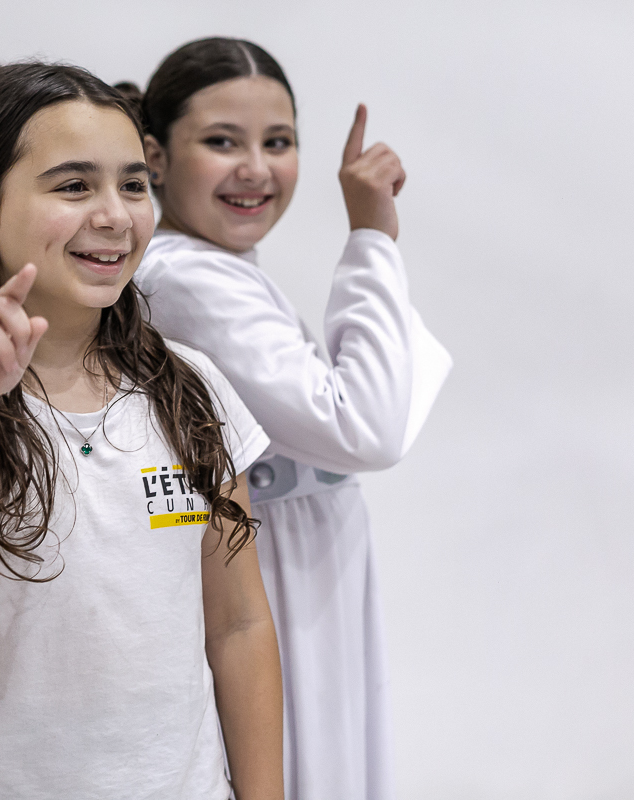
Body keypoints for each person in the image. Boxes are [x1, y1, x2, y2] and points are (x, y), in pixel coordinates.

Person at [0, 61, 282, 799]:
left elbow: (238, 626)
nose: (115, 215)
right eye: (74, 186)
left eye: (133, 184)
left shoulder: (193, 389)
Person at [120, 38, 453, 800]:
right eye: (221, 142)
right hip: (271, 578)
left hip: (298, 564)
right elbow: (363, 427)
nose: (256, 170)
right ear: (156, 155)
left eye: (278, 142)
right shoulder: (187, 278)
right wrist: (371, 234)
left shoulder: (214, 270)